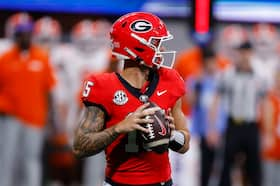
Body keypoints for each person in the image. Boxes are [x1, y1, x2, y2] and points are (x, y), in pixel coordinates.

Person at [73, 12, 190, 186]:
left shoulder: (170, 80)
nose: (162, 49)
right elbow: (79, 147)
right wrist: (118, 128)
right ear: (137, 47)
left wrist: (172, 136)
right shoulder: (103, 86)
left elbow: (185, 144)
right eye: (156, 43)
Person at [0, 13, 56, 186]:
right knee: (7, 160)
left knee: (31, 160)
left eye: (28, 33)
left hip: (35, 118)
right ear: (15, 34)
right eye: (21, 33)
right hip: (9, 117)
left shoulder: (42, 58)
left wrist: (50, 118)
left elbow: (49, 91)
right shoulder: (5, 58)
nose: (25, 36)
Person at [218, 41, 264, 186]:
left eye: (246, 52)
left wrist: (267, 131)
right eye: (241, 52)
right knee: (226, 163)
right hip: (234, 124)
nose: (244, 56)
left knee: (254, 166)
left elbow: (267, 101)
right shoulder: (229, 73)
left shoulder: (260, 74)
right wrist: (214, 125)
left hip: (251, 125)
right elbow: (218, 97)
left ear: (251, 54)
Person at [188, 48, 226, 186]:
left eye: (213, 61)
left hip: (221, 130)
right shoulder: (196, 80)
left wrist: (215, 129)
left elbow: (222, 107)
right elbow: (190, 102)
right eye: (208, 62)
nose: (211, 65)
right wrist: (198, 85)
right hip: (203, 130)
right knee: (205, 168)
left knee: (223, 169)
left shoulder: (222, 79)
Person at [259, 66, 280, 186]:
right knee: (269, 180)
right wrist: (268, 134)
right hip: (272, 146)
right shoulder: (269, 98)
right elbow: (267, 117)